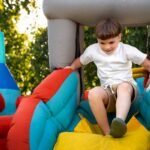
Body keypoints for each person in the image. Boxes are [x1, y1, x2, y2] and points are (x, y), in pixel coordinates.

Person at [66, 18, 150, 138]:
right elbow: (80, 61)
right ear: (97, 40)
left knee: (123, 87)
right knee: (93, 94)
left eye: (111, 42)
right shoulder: (92, 50)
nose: (107, 47)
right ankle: (108, 132)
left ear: (119, 37)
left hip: (128, 89)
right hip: (108, 91)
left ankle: (119, 121)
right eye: (102, 43)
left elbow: (147, 63)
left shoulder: (126, 50)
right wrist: (70, 68)